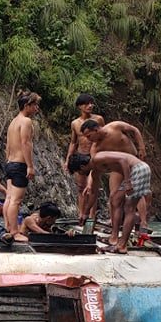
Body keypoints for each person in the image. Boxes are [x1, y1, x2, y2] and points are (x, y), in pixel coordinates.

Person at [68, 150, 151, 254]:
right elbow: (93, 194)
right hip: (136, 171)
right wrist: (85, 213)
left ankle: (122, 245)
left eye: (79, 172)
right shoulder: (95, 171)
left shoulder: (97, 158)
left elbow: (123, 160)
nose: (81, 174)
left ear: (81, 167)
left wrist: (127, 181)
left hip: (139, 170)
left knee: (129, 208)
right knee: (115, 200)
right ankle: (114, 238)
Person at [79, 119, 151, 236]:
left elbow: (134, 130)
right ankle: (115, 228)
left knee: (136, 194)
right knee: (114, 198)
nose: (88, 139)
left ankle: (143, 223)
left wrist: (141, 147)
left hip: (133, 163)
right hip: (118, 169)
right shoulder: (95, 148)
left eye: (89, 135)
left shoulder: (115, 126)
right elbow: (94, 169)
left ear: (96, 130)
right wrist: (89, 184)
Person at [63, 94, 105, 228]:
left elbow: (104, 135)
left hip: (95, 157)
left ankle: (91, 218)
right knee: (81, 188)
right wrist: (68, 159)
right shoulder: (75, 123)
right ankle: (81, 215)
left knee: (93, 188)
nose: (90, 106)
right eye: (86, 104)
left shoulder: (98, 119)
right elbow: (73, 142)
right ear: (79, 106)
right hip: (81, 156)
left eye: (91, 103)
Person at [4, 90, 41, 243]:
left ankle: (8, 226)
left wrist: (8, 162)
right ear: (27, 105)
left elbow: (7, 146)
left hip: (10, 163)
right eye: (35, 105)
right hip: (19, 164)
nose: (37, 109)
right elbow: (26, 143)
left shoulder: (13, 121)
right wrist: (30, 166)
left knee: (9, 198)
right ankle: (14, 231)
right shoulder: (26, 121)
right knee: (15, 201)